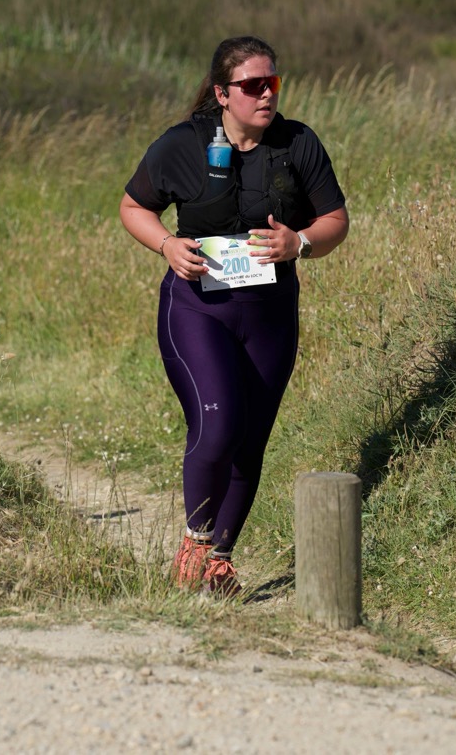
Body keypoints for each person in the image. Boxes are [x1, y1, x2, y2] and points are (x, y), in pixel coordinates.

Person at [119, 35, 349, 597]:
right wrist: (167, 245)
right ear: (223, 94)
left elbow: (336, 220)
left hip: (270, 314)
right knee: (218, 425)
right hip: (198, 310)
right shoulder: (183, 144)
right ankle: (195, 546)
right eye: (253, 86)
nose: (267, 94)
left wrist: (300, 243)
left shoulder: (298, 143)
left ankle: (220, 561)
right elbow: (133, 207)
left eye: (273, 83)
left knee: (250, 441)